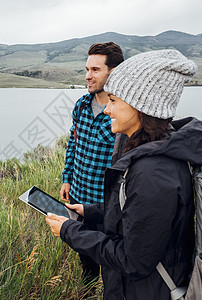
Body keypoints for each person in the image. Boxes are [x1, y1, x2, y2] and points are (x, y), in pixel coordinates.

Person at [46, 49, 202, 299]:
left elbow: (133, 261)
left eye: (114, 100)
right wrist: (91, 211)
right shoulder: (148, 154)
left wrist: (69, 231)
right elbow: (137, 216)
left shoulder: (153, 173)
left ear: (141, 106)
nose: (107, 110)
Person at [60, 42, 124, 282]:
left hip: (105, 205)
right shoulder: (81, 105)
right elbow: (73, 144)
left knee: (110, 262)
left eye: (95, 70)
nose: (88, 76)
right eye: (87, 69)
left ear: (113, 71)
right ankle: (87, 290)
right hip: (78, 197)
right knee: (85, 257)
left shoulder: (124, 112)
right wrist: (67, 178)